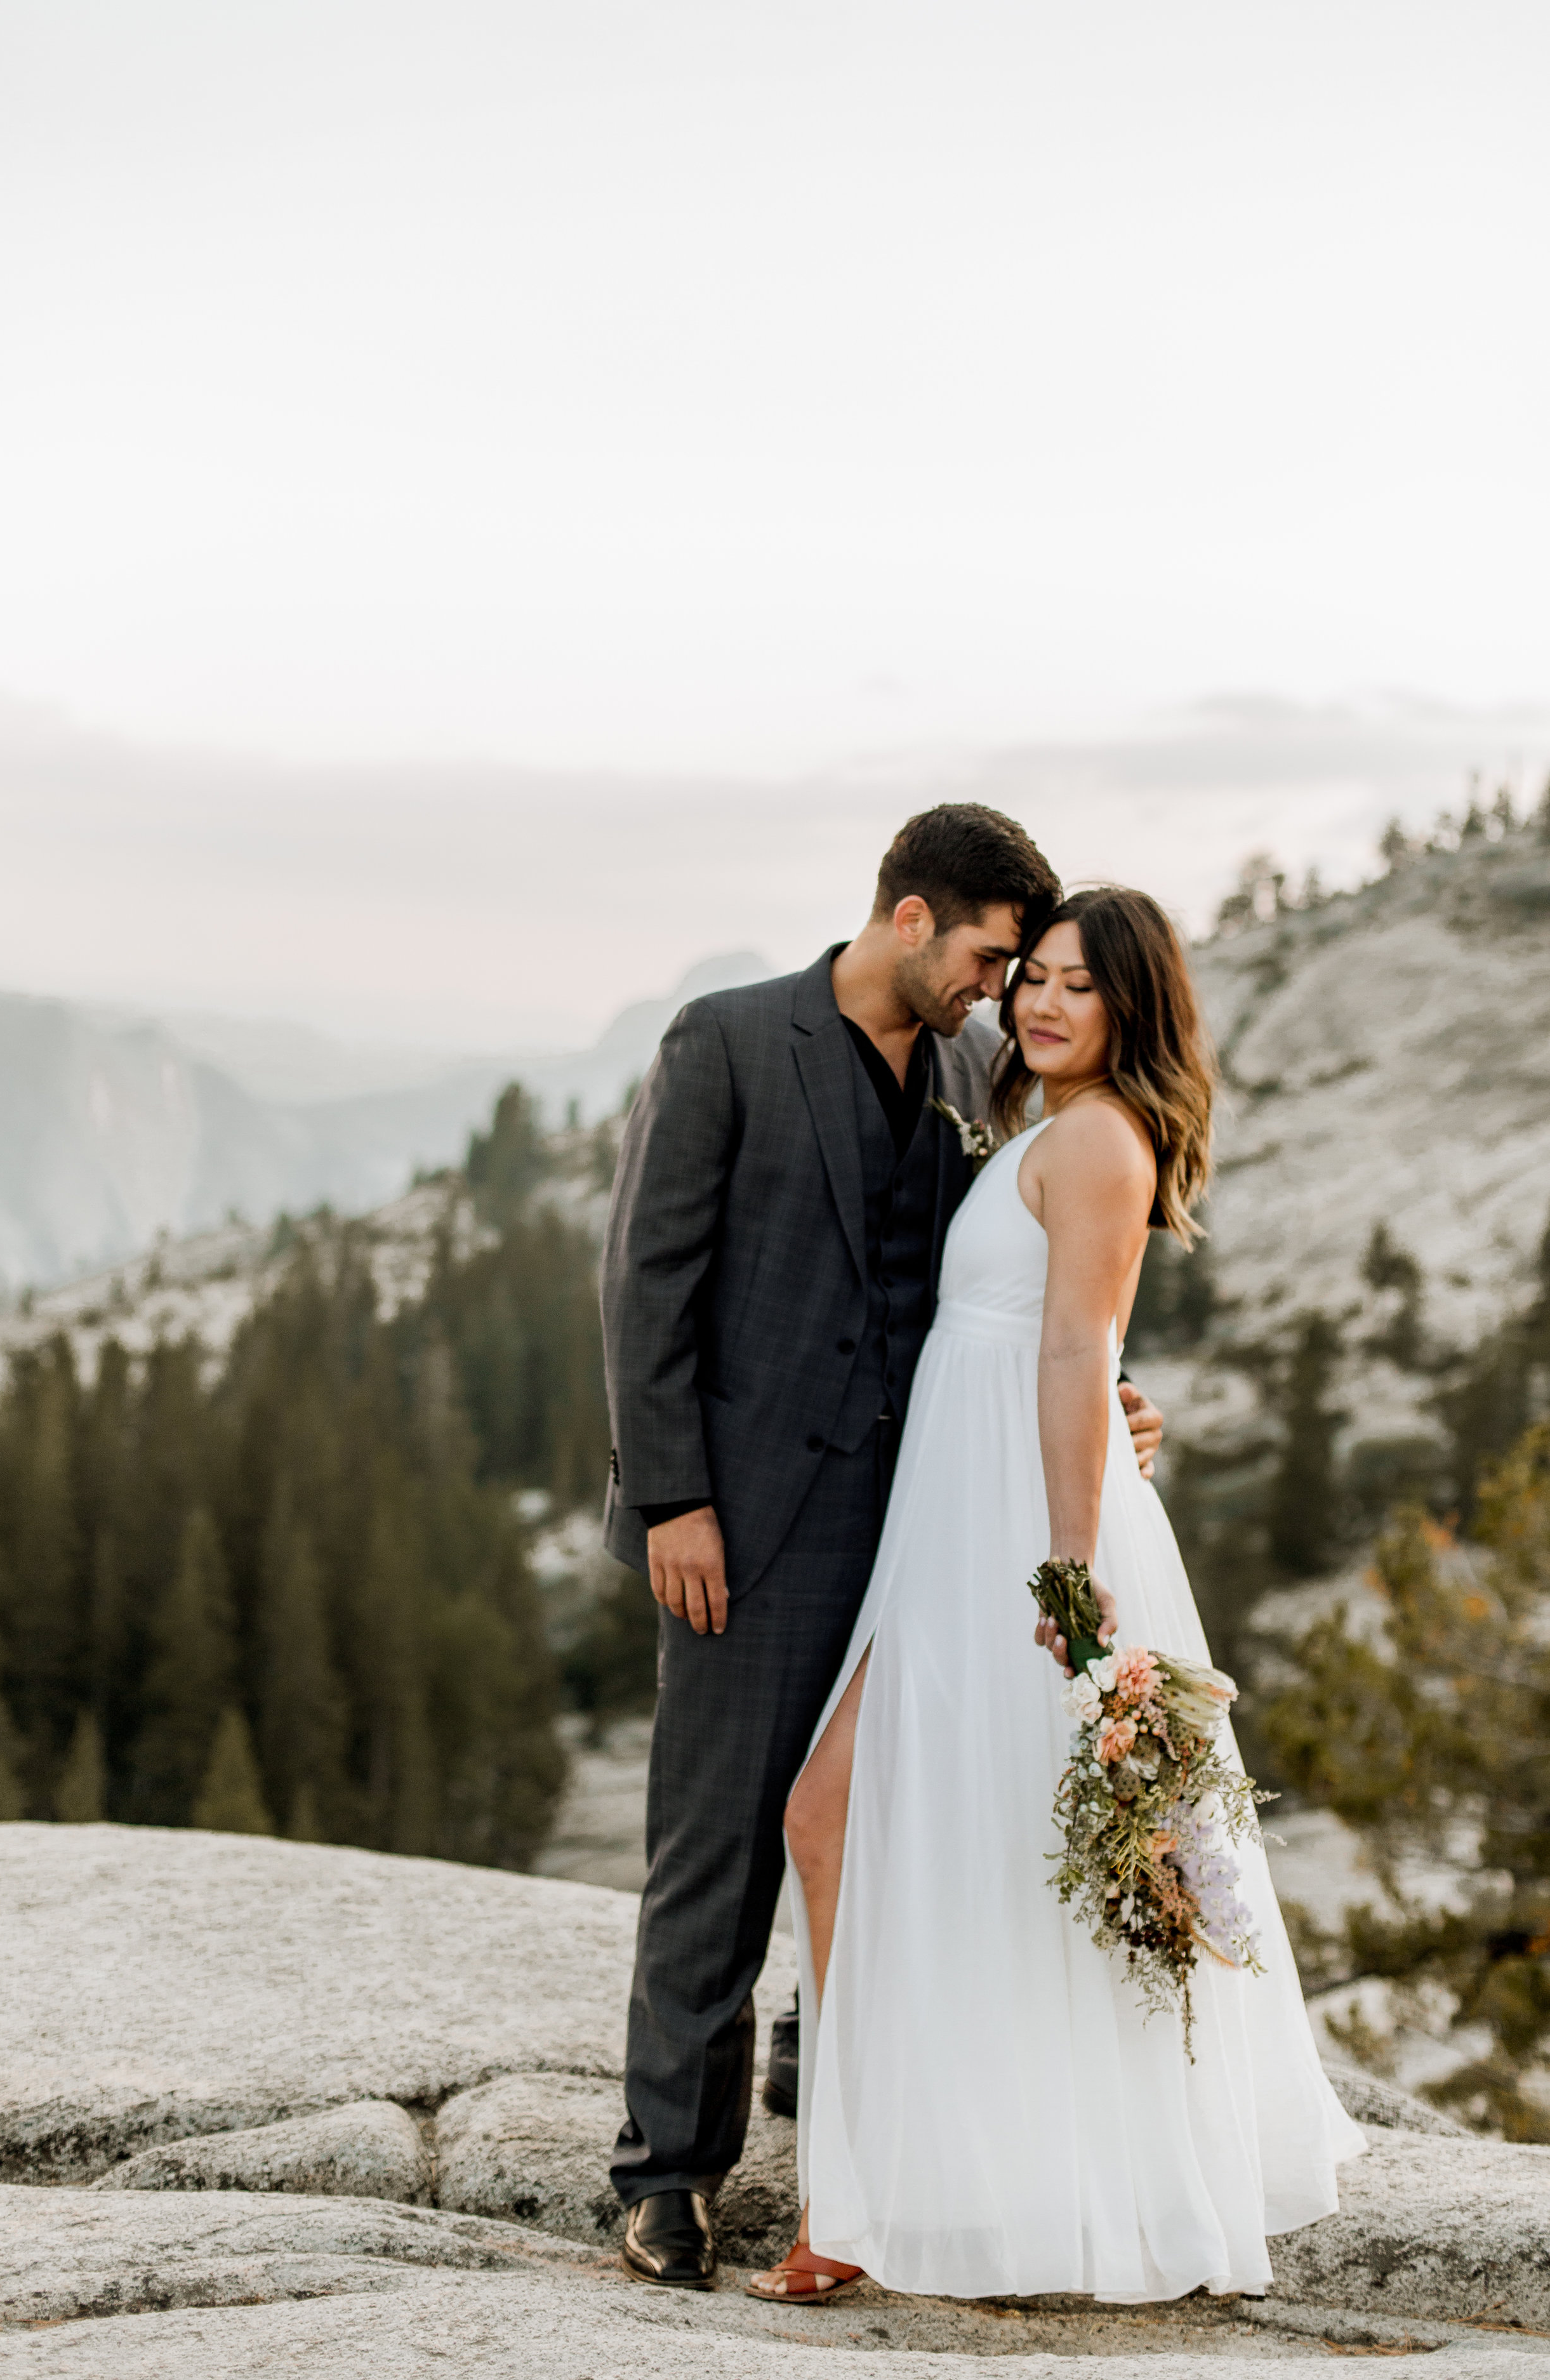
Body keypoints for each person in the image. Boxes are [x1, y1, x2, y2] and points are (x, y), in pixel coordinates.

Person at [749, 885, 1364, 2306]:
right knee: (876, 1828)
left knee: (890, 1829)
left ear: (1129, 1007)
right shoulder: (1044, 1123)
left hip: (1018, 1540)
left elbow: (1074, 1356)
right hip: (959, 1518)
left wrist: (1072, 1566)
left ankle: (881, 2202)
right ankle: (873, 2188)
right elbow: (1056, 1343)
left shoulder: (1094, 1138)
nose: (1039, 1003)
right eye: (1031, 976)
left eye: (1078, 987)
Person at [599, 809, 1167, 2290]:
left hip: (923, 1523)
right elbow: (644, 1281)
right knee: (717, 1849)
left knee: (891, 1832)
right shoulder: (724, 1043)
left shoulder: (982, 1073)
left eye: (1026, 970)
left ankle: (855, 2145)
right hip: (739, 1529)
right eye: (989, 957)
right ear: (908, 919)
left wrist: (1107, 1408)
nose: (1002, 993)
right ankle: (665, 2178)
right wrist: (670, 1500)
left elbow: (1030, 1298)